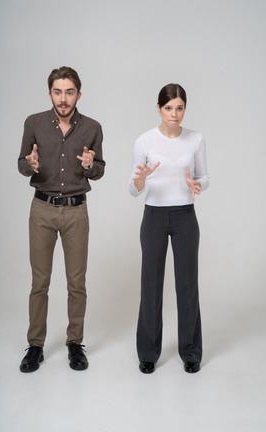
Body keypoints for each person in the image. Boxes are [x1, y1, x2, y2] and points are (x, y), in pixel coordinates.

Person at [18, 66, 105, 373]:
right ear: (50, 93)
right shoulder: (34, 123)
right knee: (39, 282)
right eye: (58, 91)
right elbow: (21, 164)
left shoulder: (92, 127)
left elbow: (100, 168)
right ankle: (36, 345)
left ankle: (74, 343)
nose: (63, 98)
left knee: (76, 283)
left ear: (78, 94)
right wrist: (30, 164)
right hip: (41, 209)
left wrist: (90, 165)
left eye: (69, 92)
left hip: (75, 212)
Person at [129, 83, 209, 374]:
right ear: (159, 108)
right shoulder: (145, 141)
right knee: (151, 284)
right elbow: (133, 187)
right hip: (154, 216)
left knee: (187, 284)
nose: (174, 114)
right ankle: (148, 352)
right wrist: (140, 182)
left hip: (186, 215)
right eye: (168, 108)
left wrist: (197, 185)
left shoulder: (196, 139)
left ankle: (191, 352)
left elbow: (205, 176)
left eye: (180, 108)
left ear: (185, 108)